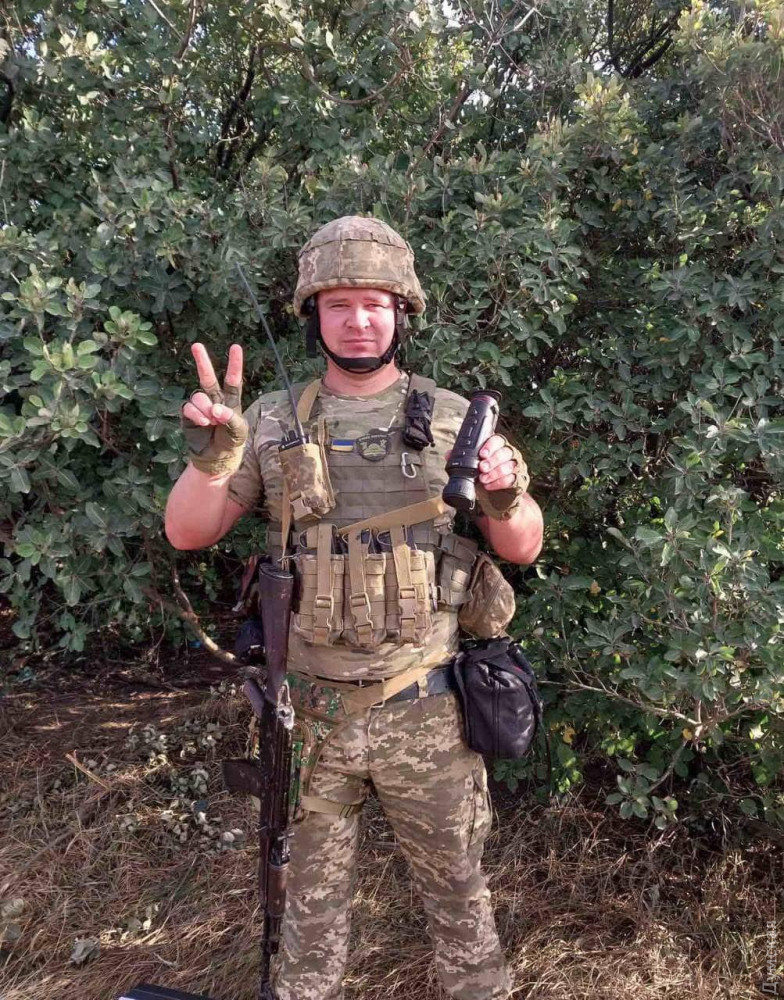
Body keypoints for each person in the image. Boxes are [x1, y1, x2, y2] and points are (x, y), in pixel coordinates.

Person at [165, 216, 543, 1000]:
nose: (359, 320)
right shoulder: (272, 420)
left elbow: (522, 547)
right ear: (315, 316)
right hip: (309, 716)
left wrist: (506, 493)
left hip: (426, 710)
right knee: (307, 923)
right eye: (339, 305)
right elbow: (188, 531)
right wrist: (213, 460)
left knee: (461, 906)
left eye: (374, 303)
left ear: (403, 312)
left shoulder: (452, 417)